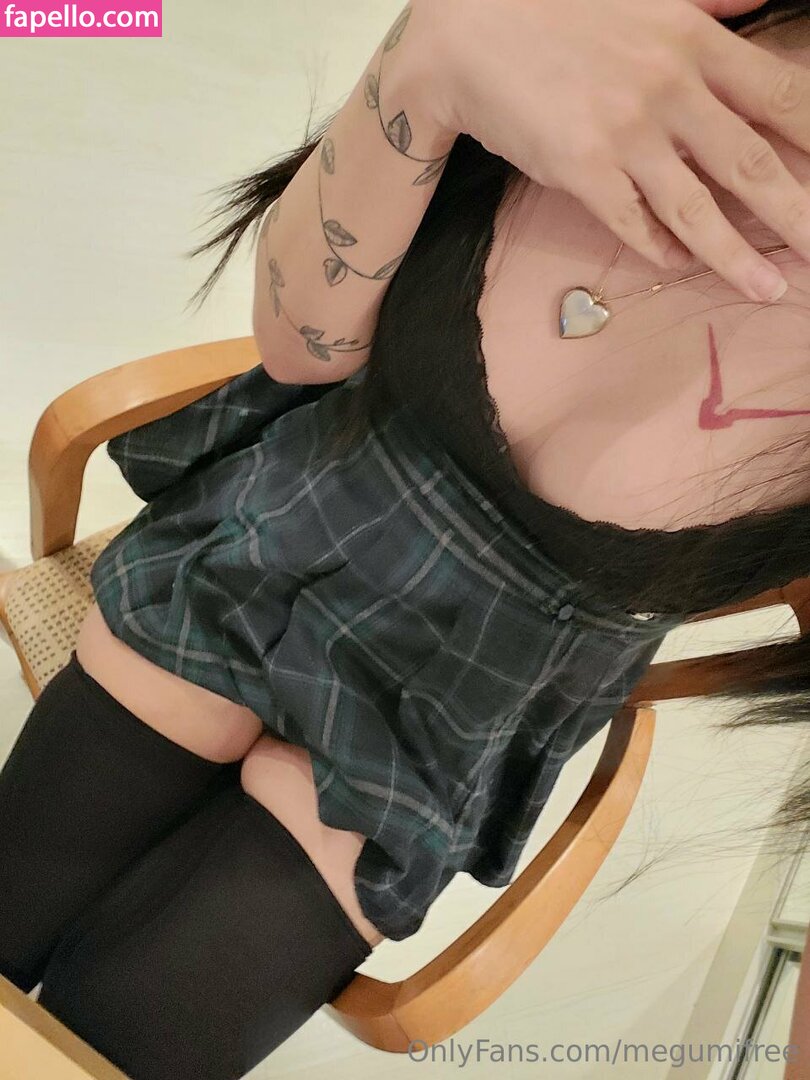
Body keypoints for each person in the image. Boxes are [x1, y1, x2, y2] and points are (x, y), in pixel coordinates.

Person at [2, 0, 810, 1077]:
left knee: (115, 1038)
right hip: (278, 537)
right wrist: (438, 49)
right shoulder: (641, 27)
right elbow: (300, 345)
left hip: (463, 707)